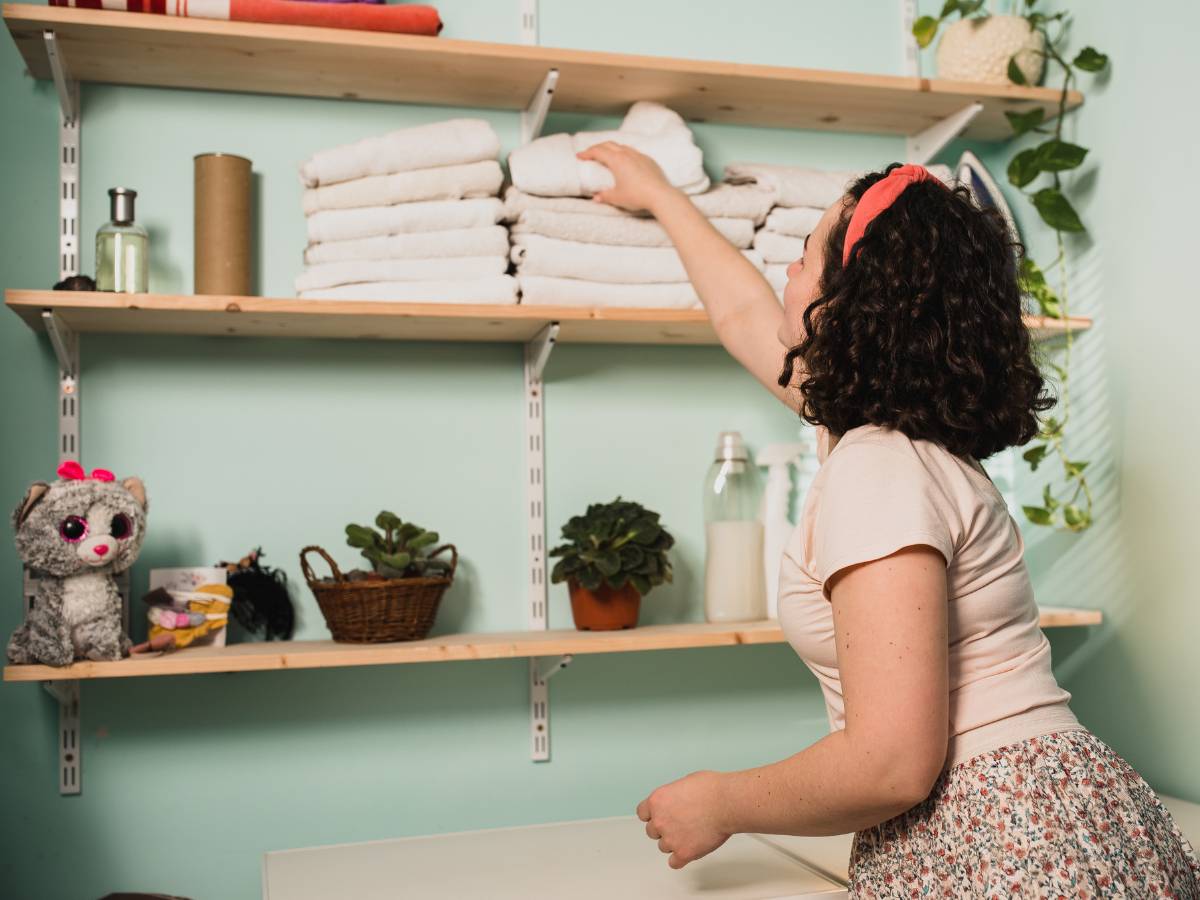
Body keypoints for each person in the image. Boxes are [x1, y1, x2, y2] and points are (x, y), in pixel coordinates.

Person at [576, 143, 1200, 897]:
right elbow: (743, 314)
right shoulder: (904, 438)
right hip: (1053, 819)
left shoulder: (877, 468)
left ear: (846, 304)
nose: (785, 275)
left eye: (803, 258)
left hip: (1005, 843)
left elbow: (891, 761)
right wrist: (662, 196)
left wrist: (722, 802)